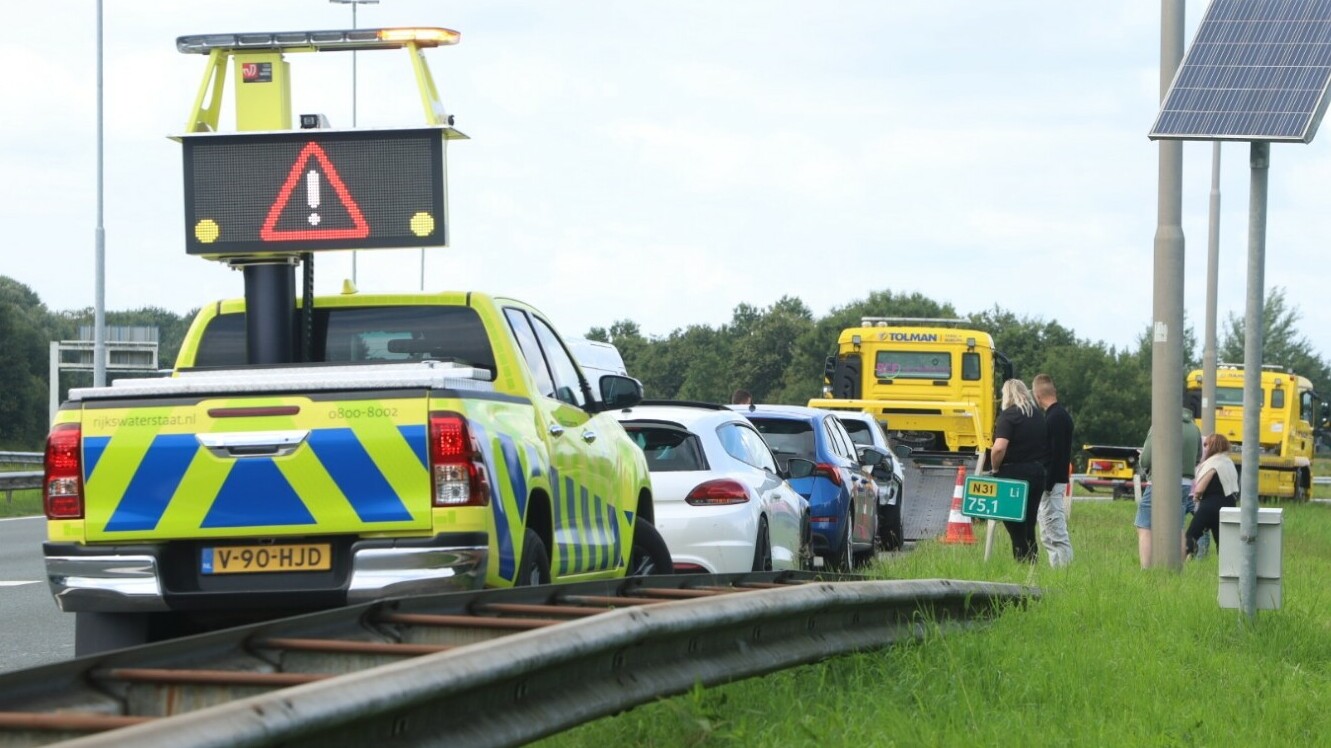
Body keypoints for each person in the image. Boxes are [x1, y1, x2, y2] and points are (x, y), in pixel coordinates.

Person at [1134, 407, 1202, 568]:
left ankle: (1146, 569)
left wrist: (1142, 458)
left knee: (1144, 525)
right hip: (1185, 483)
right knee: (1178, 527)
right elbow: (1198, 457)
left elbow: (1146, 458)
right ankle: (1177, 568)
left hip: (1160, 481)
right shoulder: (1195, 429)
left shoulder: (1160, 425)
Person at [990, 379, 1048, 563]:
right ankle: (1032, 564)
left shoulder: (1008, 416)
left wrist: (995, 467)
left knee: (1014, 525)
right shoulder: (1038, 416)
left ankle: (1021, 563)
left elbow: (999, 448)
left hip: (1013, 474)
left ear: (1007, 394)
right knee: (1029, 524)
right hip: (1037, 472)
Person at [1033, 373, 1073, 568]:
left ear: (1037, 395)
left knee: (1056, 532)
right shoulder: (1059, 415)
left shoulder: (1054, 418)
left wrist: (1047, 485)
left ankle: (1065, 572)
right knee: (1047, 533)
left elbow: (1056, 454)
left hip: (1052, 483)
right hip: (1054, 482)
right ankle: (1056, 570)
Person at [1187, 432, 1239, 559]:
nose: (1204, 448)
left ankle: (1182, 560)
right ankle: (1229, 567)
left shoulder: (1213, 463)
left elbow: (1200, 488)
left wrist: (1196, 497)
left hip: (1210, 505)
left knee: (1191, 535)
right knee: (1223, 543)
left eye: (1206, 445)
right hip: (1229, 505)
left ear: (1213, 446)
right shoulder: (1228, 462)